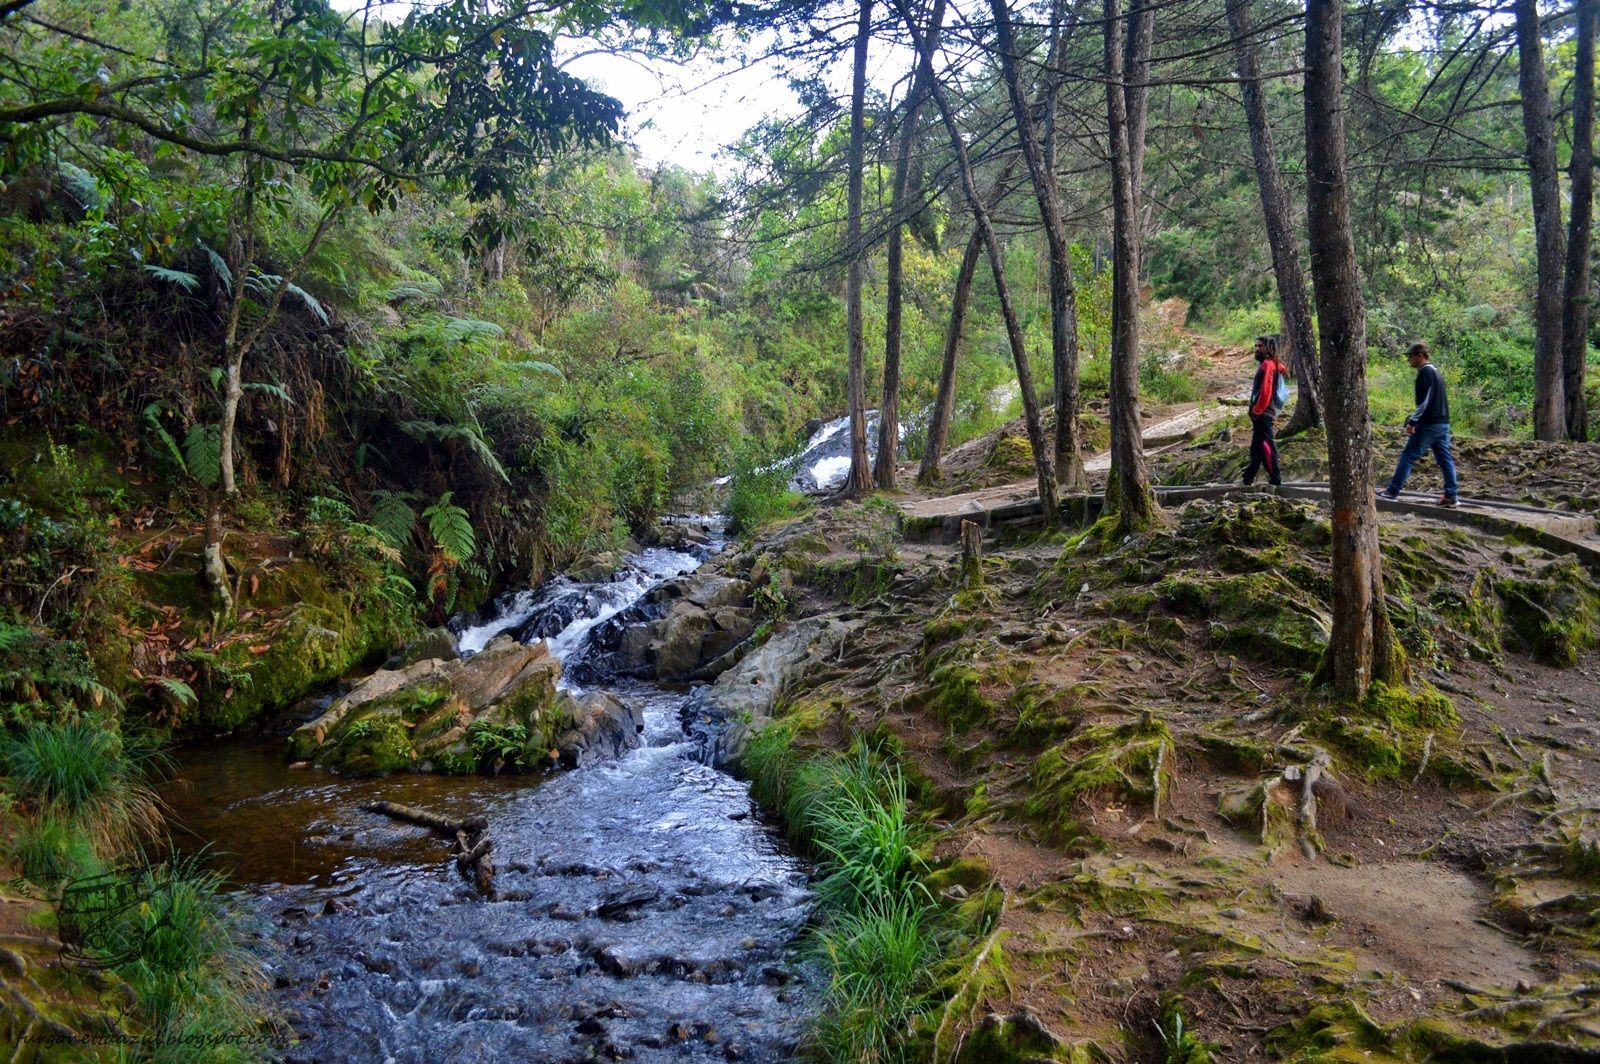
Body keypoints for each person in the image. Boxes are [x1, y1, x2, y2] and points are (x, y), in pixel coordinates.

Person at [1378, 341, 1458, 507]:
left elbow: (1425, 402)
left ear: (1420, 355)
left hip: (1429, 424)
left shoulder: (1426, 373)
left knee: (1408, 455)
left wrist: (1413, 421)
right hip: (1442, 424)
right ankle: (1451, 495)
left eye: (1411, 356)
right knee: (1445, 459)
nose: (1409, 360)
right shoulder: (1436, 372)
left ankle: (1392, 491)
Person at [1242, 335, 1286, 487]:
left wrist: (1257, 411)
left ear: (1268, 348)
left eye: (1260, 346)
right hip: (1264, 412)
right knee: (1257, 447)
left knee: (1267, 445)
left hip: (1264, 413)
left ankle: (1276, 478)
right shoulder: (1272, 364)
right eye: (1256, 346)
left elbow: (1266, 391)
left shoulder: (1267, 365)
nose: (1257, 349)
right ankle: (1248, 477)